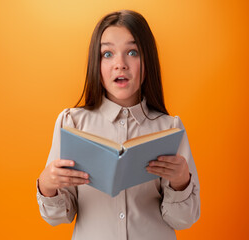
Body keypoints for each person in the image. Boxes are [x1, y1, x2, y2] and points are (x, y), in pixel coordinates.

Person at [36, 10, 200, 240]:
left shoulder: (169, 128)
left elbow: (182, 220)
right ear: (96, 62)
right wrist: (47, 184)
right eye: (107, 54)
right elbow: (59, 216)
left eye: (132, 52)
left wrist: (182, 182)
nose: (120, 64)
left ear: (147, 61)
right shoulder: (71, 123)